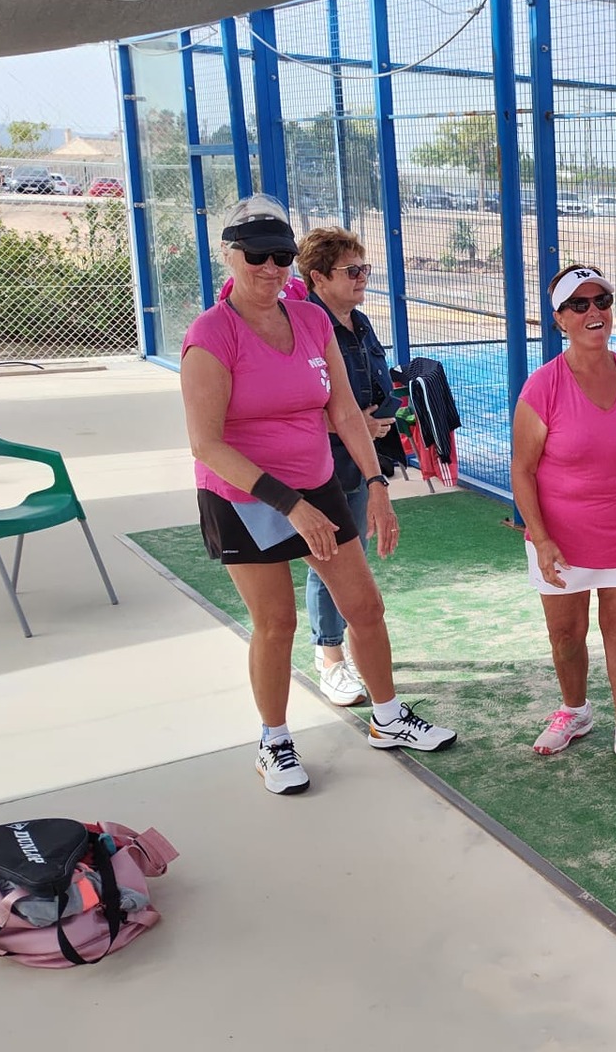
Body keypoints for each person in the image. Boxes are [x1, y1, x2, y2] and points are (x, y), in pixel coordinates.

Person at [181, 195, 457, 795]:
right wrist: (290, 505)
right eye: (256, 255)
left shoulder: (310, 320)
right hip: (245, 497)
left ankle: (387, 718)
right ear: (229, 255)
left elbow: (345, 412)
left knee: (365, 606)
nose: (270, 267)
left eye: (281, 256)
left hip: (316, 480)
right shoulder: (210, 334)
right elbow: (206, 444)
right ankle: (274, 742)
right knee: (276, 622)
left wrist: (378, 484)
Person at [512, 263, 616, 778]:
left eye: (602, 301)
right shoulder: (543, 387)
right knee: (566, 636)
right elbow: (522, 470)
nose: (594, 312)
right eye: (579, 304)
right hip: (560, 541)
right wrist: (542, 538)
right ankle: (575, 711)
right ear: (560, 318)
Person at [295, 226, 397, 708]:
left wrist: (382, 418)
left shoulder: (360, 322)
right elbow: (296, 405)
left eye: (365, 269)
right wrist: (355, 425)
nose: (362, 278)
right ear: (318, 277)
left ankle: (347, 647)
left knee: (349, 557)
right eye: (351, 271)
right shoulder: (302, 327)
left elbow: (373, 384)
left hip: (359, 462)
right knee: (328, 561)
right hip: (321, 465)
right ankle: (330, 656)